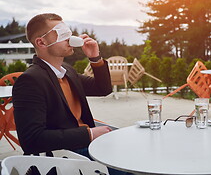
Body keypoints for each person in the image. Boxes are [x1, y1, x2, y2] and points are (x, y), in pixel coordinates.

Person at [12, 13, 126, 174]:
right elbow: (32, 140)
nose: (69, 37)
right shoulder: (30, 81)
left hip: (85, 146)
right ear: (41, 42)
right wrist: (88, 134)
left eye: (68, 32)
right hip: (63, 157)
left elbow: (103, 89)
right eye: (61, 33)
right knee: (130, 164)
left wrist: (95, 58)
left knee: (135, 152)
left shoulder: (67, 72)